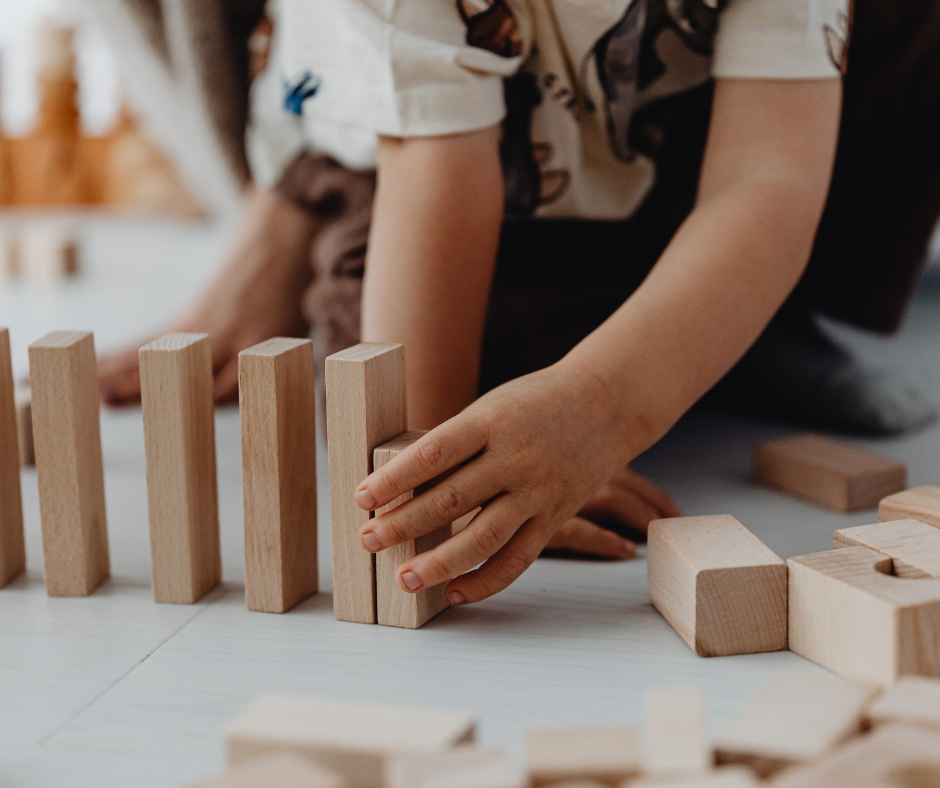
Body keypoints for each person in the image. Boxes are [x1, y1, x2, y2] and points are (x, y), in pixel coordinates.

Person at [98, 0, 940, 604]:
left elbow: (766, 178)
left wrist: (605, 404)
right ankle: (300, 207)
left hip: (652, 157)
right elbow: (436, 176)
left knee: (686, 309)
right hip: (411, 160)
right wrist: (436, 469)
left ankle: (751, 320)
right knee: (458, 373)